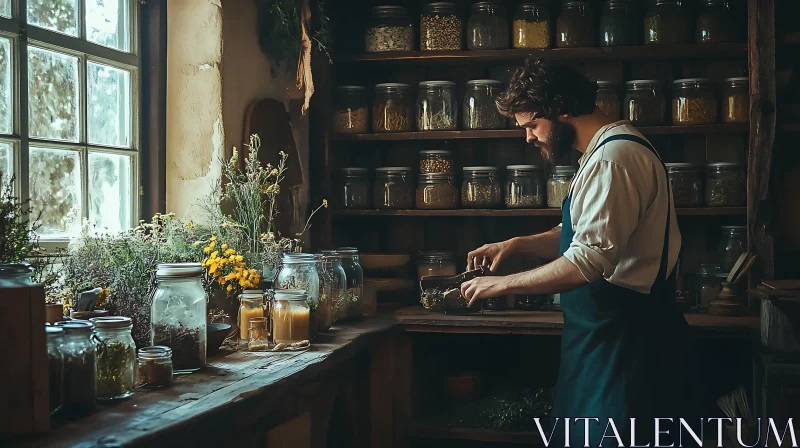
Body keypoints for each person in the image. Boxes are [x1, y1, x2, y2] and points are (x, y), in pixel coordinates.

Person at [461, 59, 690, 446]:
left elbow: (586, 262)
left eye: (532, 125)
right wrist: (517, 246)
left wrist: (500, 285)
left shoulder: (613, 161)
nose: (529, 138)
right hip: (599, 340)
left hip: (624, 344)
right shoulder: (603, 152)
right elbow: (582, 234)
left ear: (561, 108)